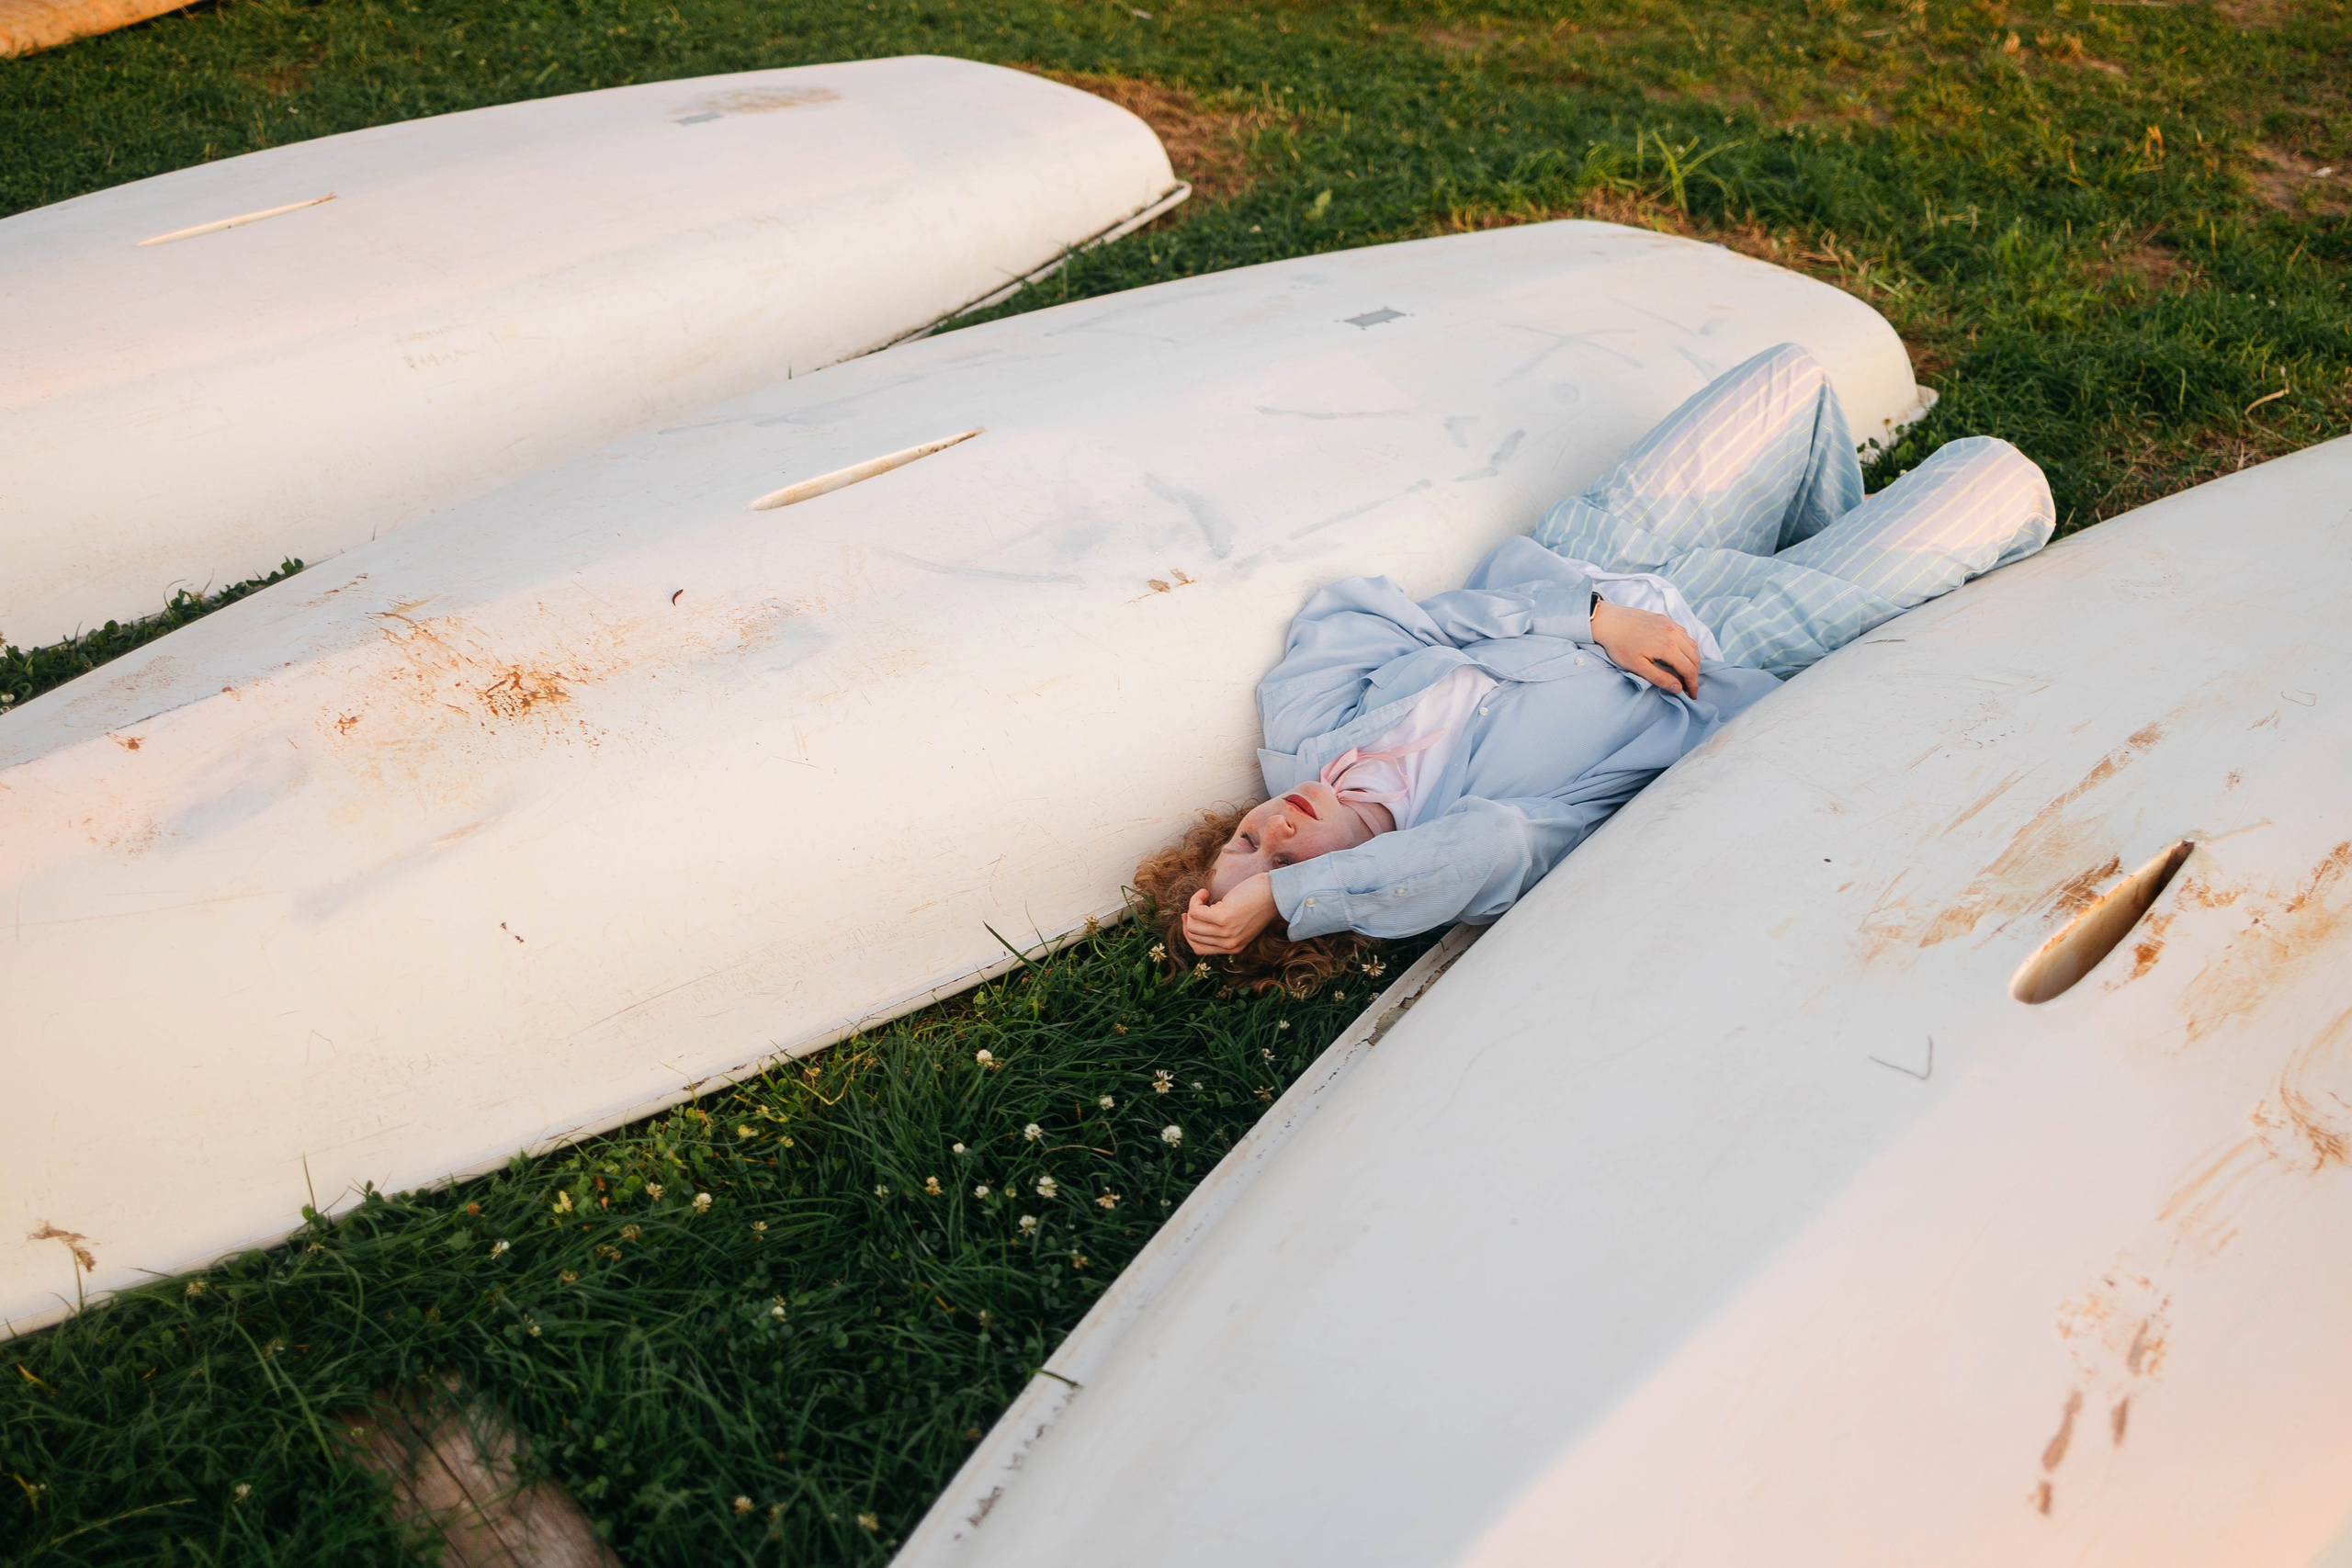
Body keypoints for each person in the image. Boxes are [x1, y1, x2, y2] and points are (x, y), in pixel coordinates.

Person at [1133, 343, 2055, 987]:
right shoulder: (1470, 848)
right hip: (1736, 643)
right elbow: (1490, 847)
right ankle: (1831, 570)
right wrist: (1294, 897)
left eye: (1243, 841)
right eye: (1280, 863)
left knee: (1793, 382)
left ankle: (1821, 535)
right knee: (2000, 476)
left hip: (1599, 555)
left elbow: (1365, 604)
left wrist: (1590, 615)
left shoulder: (1304, 732)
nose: (1273, 832)